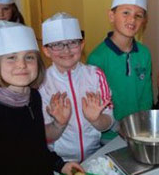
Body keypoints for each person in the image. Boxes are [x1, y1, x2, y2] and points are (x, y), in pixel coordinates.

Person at [0, 21, 83, 175]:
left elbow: (36, 149)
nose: (22, 65)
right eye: (11, 57)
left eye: (29, 57)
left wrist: (61, 165)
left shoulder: (34, 98)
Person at [39, 13, 114, 162]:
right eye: (57, 44)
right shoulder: (42, 84)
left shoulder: (96, 75)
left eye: (73, 42)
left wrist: (96, 119)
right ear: (46, 50)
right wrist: (58, 124)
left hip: (94, 157)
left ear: (82, 44)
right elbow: (43, 135)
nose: (66, 50)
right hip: (58, 163)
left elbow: (108, 122)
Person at [87, 0, 153, 138]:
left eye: (138, 15)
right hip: (109, 134)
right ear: (111, 16)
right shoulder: (97, 58)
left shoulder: (144, 53)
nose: (132, 20)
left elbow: (146, 95)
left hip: (138, 130)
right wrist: (116, 127)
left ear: (144, 21)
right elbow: (97, 103)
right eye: (126, 13)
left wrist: (142, 123)